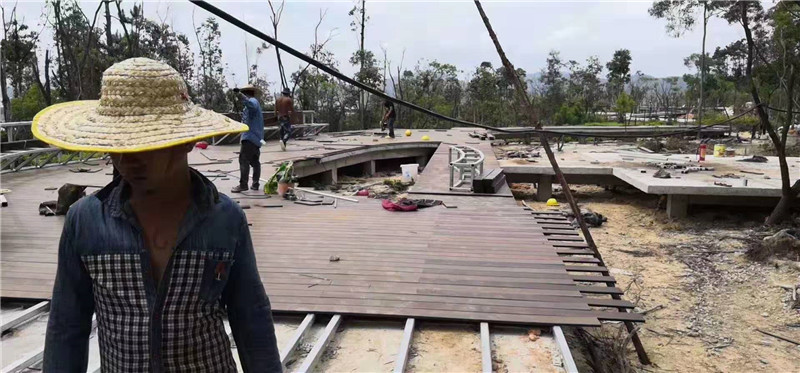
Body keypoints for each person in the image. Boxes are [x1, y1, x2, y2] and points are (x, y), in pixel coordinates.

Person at [34, 58, 282, 372]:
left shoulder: (224, 219)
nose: (127, 159)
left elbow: (251, 317)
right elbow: (67, 325)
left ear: (189, 140)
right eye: (117, 143)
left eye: (146, 144)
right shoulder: (85, 221)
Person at [232, 84, 265, 193]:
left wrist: (239, 95)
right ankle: (255, 184)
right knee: (255, 161)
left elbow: (251, 104)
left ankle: (243, 184)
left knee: (243, 160)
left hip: (250, 137)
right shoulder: (253, 104)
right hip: (257, 138)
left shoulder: (253, 102)